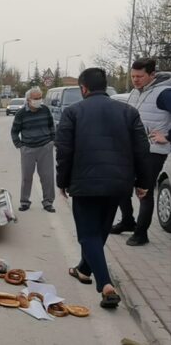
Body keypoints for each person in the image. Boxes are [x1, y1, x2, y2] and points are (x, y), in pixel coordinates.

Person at [55, 68, 151, 308]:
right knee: (99, 232)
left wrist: (62, 181)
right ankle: (83, 269)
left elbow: (64, 152)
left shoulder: (73, 112)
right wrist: (143, 183)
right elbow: (142, 150)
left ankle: (106, 285)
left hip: (85, 183)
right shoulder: (129, 112)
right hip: (118, 184)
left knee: (88, 235)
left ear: (83, 88)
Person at [110, 58, 171, 246]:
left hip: (153, 151)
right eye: (133, 76)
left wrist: (168, 137)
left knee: (144, 191)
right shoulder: (136, 93)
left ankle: (141, 233)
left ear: (152, 75)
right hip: (131, 149)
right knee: (120, 185)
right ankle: (128, 221)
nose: (135, 80)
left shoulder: (164, 93)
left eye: (140, 76)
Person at [10, 87, 56, 213]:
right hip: (28, 148)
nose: (38, 100)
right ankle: (24, 202)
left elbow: (52, 126)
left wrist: (52, 141)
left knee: (47, 177)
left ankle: (48, 202)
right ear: (28, 100)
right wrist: (19, 145)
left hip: (45, 147)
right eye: (36, 98)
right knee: (26, 177)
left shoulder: (45, 110)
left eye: (40, 98)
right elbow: (14, 131)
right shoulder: (21, 114)